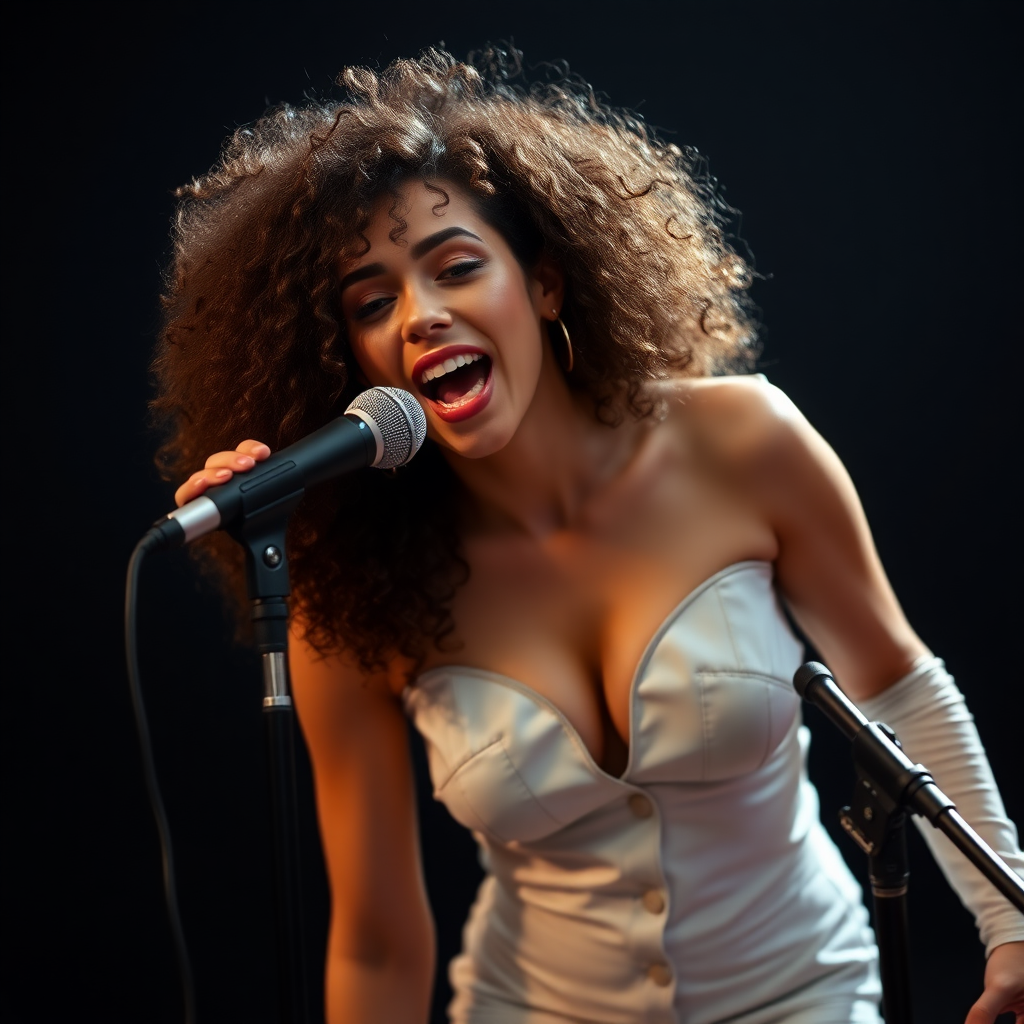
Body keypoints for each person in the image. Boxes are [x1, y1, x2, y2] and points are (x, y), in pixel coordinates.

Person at [153, 46, 1024, 1024]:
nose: (421, 315)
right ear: (346, 357)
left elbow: (896, 683)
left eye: (455, 267)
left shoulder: (743, 441)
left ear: (547, 284)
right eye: (372, 301)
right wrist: (273, 525)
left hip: (804, 996)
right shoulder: (350, 584)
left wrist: (1011, 919)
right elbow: (376, 936)